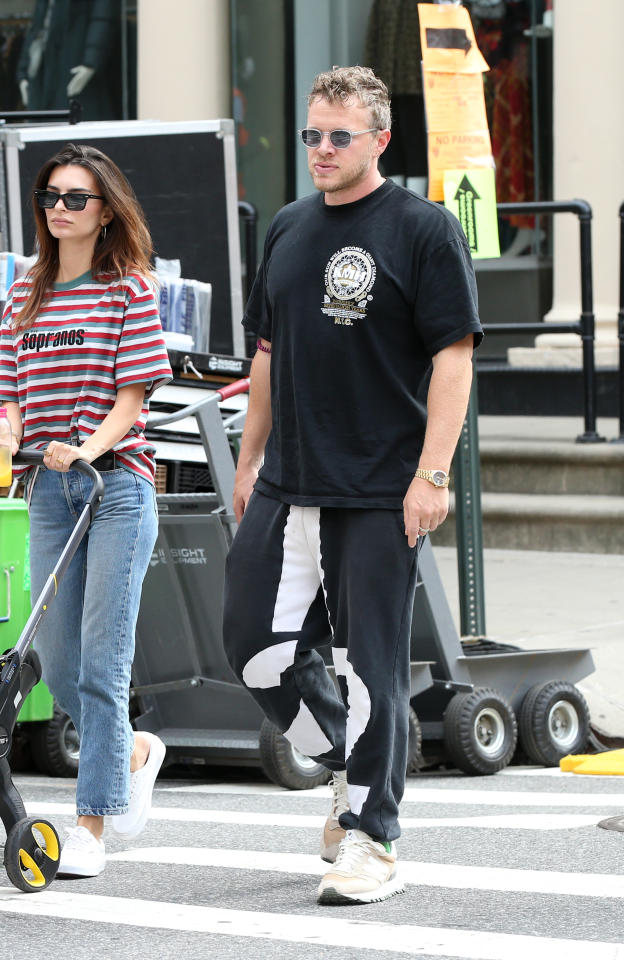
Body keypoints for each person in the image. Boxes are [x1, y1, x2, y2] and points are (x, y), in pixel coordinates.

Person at [222, 65, 482, 906]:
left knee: (369, 664)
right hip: (287, 479)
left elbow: (454, 358)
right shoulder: (291, 228)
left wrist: (432, 473)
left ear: (379, 139)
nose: (323, 150)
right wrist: (249, 456)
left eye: (340, 136)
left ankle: (372, 835)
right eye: (311, 135)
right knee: (252, 647)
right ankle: (348, 759)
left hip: (378, 488)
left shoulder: (422, 230)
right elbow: (265, 352)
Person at [0, 143, 170, 878]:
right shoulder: (26, 293)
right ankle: (135, 751)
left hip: (115, 485)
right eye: (51, 197)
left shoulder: (129, 289)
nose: (60, 209)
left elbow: (132, 400)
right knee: (55, 662)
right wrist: (2, 439)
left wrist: (86, 449)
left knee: (101, 660)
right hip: (50, 494)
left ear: (106, 210)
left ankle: (91, 827)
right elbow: (9, 397)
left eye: (76, 198)